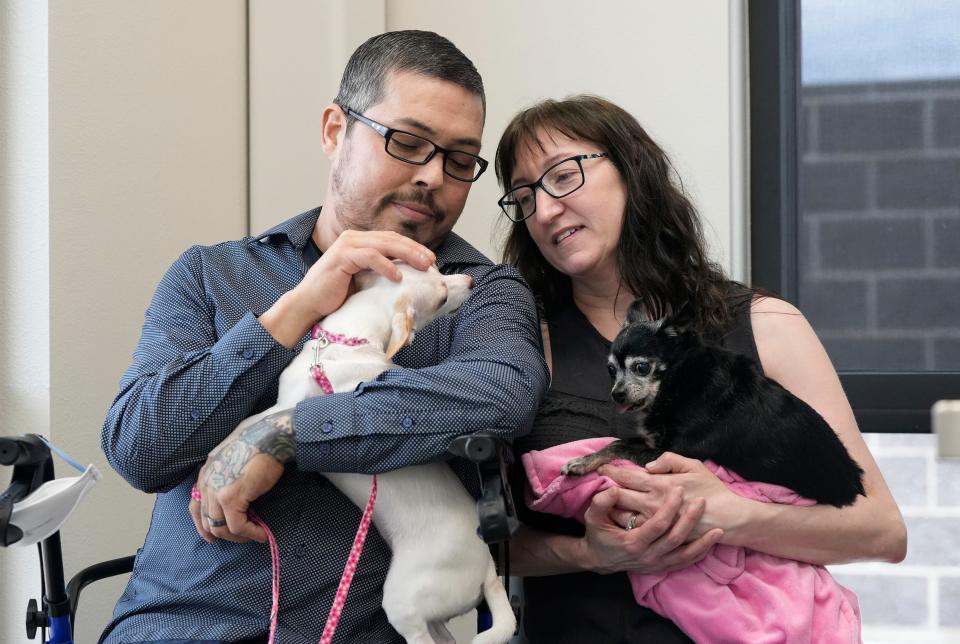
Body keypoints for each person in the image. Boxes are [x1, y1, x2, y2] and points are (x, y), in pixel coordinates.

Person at [99, 30, 548, 644]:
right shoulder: (214, 275)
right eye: (408, 142)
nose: (432, 177)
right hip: (183, 628)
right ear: (336, 130)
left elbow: (503, 394)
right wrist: (296, 309)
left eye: (460, 160)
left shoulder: (476, 293)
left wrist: (280, 435)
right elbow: (142, 447)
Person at [493, 94, 907, 642]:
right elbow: (490, 546)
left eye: (563, 176)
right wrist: (590, 552)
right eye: (524, 197)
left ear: (633, 171)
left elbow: (879, 530)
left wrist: (733, 514)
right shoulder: (518, 348)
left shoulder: (766, 324)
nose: (544, 211)